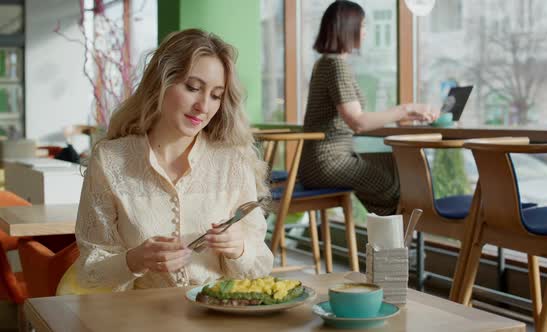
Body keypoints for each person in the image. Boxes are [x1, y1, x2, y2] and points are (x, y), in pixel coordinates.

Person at [73, 29, 273, 291]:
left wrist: (239, 249)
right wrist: (134, 261)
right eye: (193, 88)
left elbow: (260, 267)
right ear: (161, 83)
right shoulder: (110, 160)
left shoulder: (233, 161)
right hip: (139, 320)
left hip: (217, 315)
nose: (204, 106)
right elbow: (90, 271)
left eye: (215, 95)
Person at [299, 0, 439, 216]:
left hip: (318, 162)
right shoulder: (336, 65)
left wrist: (409, 113)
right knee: (393, 185)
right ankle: (396, 243)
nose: (365, 32)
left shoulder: (325, 63)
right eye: (363, 26)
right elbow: (358, 121)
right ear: (348, 27)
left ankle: (392, 241)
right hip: (328, 162)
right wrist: (405, 109)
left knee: (391, 166)